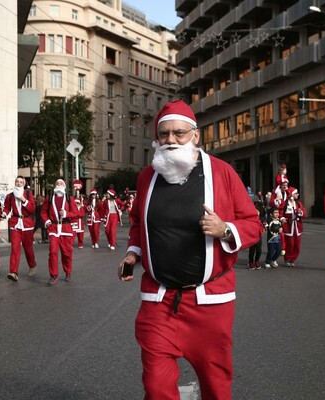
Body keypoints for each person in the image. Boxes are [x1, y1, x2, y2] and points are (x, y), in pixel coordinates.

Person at [117, 100, 264, 399]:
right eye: (164, 134)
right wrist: (134, 252)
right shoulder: (147, 176)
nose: (171, 140)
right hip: (159, 300)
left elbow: (253, 223)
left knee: (215, 387)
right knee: (156, 387)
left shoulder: (222, 173)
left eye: (179, 133)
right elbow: (136, 221)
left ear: (195, 136)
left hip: (210, 303)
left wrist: (225, 229)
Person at [41, 179, 78, 285]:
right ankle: (53, 275)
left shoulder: (69, 198)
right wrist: (47, 220)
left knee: (66, 253)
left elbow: (75, 213)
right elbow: (43, 211)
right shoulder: (49, 198)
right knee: (52, 252)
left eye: (61, 183)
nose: (59, 184)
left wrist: (66, 214)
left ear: (64, 186)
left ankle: (68, 272)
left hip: (66, 228)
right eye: (57, 183)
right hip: (53, 228)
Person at [2, 176, 37, 281]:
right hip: (15, 224)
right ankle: (13, 272)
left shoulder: (27, 194)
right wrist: (4, 213)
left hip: (27, 224)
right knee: (15, 248)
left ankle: (32, 265)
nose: (18, 183)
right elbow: (7, 208)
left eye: (21, 182)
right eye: (17, 181)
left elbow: (32, 209)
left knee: (28, 248)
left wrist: (23, 200)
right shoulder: (10, 196)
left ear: (24, 184)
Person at [282, 187, 306, 267]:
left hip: (297, 226)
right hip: (289, 226)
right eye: (296, 193)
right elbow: (280, 213)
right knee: (290, 244)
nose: (298, 195)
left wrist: (301, 212)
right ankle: (287, 259)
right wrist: (282, 219)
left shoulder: (298, 203)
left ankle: (293, 259)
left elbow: (304, 214)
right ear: (291, 195)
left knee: (297, 244)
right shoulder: (285, 203)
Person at [248, 202, 265, 270]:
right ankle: (251, 262)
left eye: (258, 210)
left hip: (259, 235)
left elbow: (264, 222)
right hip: (251, 235)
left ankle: (257, 260)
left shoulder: (261, 218)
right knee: (252, 250)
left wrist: (265, 224)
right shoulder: (250, 218)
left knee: (259, 250)